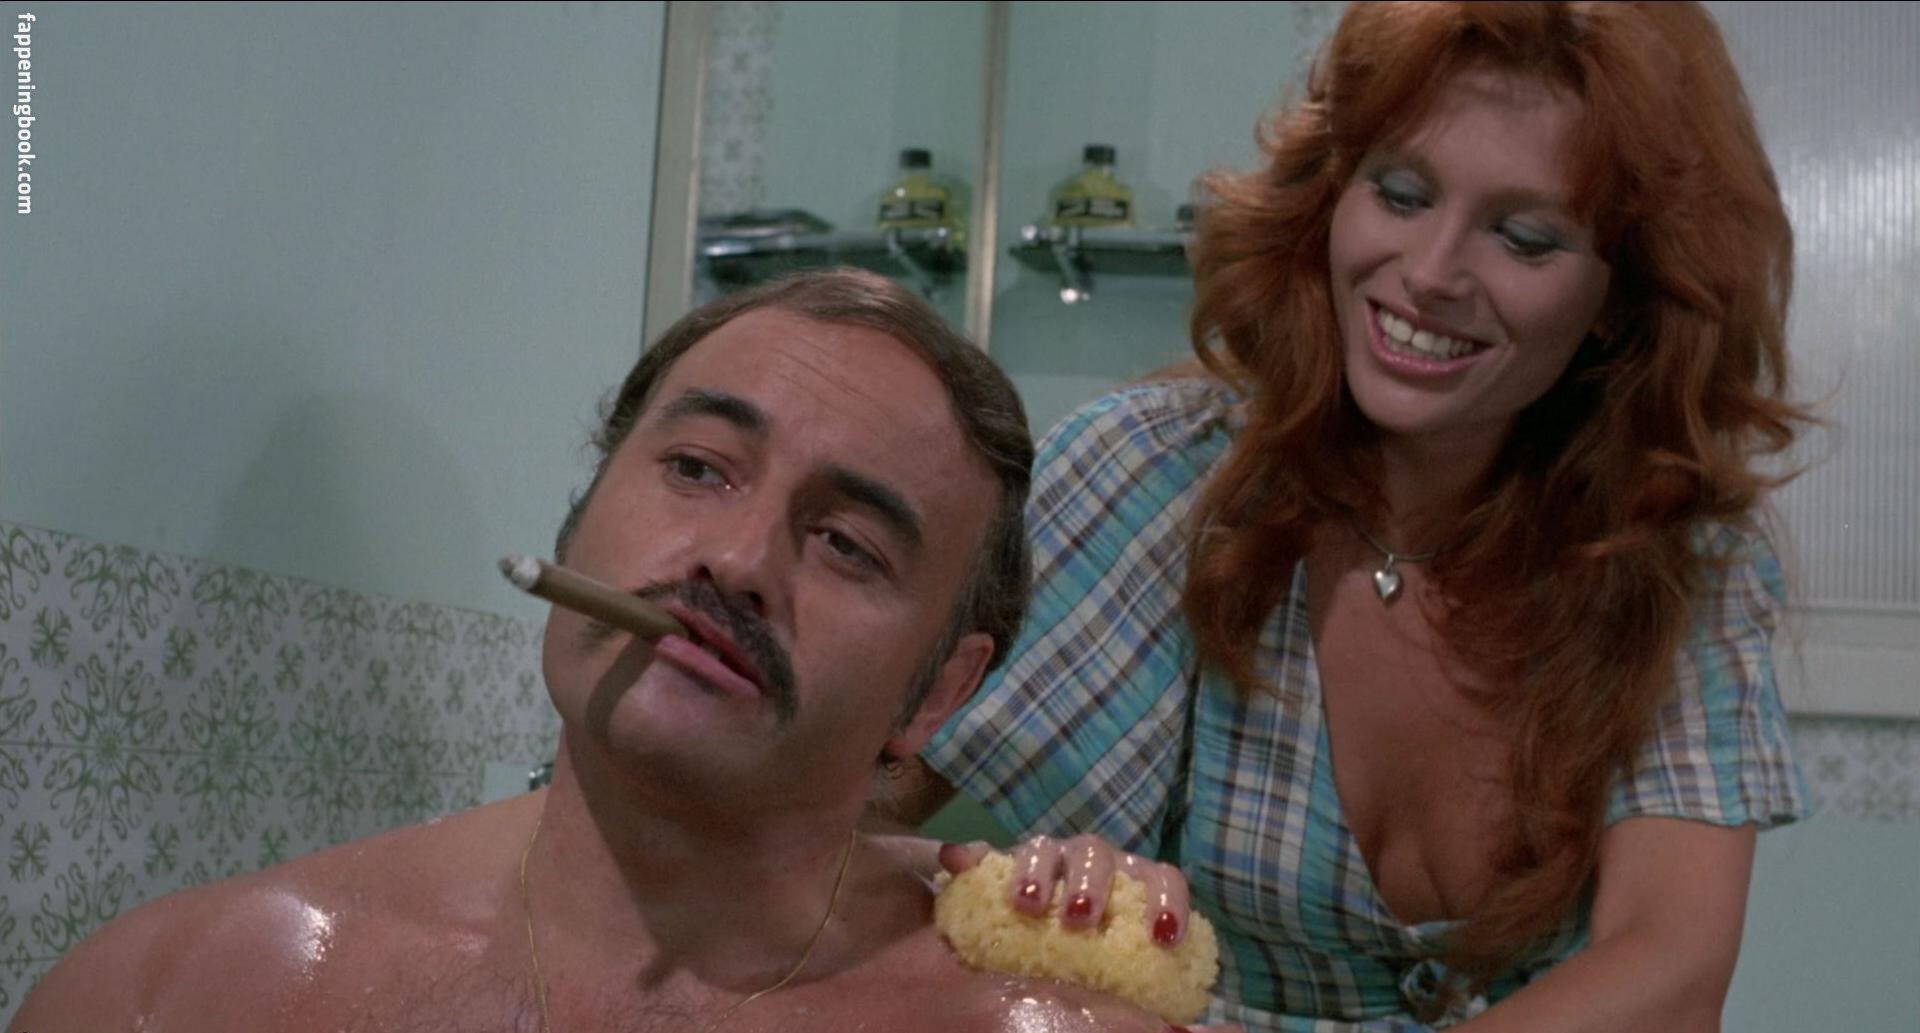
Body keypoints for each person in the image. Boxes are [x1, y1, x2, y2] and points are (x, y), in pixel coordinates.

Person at [893, 4, 1813, 1030]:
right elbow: (838, 815)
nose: (1430, 272)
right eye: (1402, 193)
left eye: (1524, 237)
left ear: (1621, 298)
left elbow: (1673, 966)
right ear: (1332, 192)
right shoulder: (1151, 474)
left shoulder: (1674, 558)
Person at [11, 269, 1182, 1033]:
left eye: (844, 542)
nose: (737, 559)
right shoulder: (187, 995)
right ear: (580, 521)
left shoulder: (1038, 1018)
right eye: (698, 468)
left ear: (938, 692)